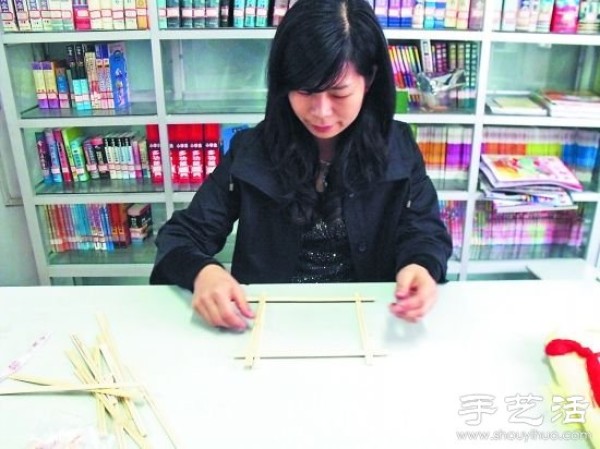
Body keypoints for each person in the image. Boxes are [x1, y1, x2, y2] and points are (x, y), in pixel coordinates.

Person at [150, 0, 453, 331]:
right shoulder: (252, 149)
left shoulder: (397, 145)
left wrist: (421, 266)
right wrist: (203, 273)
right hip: (268, 322)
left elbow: (425, 230)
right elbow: (181, 236)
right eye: (305, 90)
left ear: (370, 79)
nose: (321, 112)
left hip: (368, 320)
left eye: (339, 93)